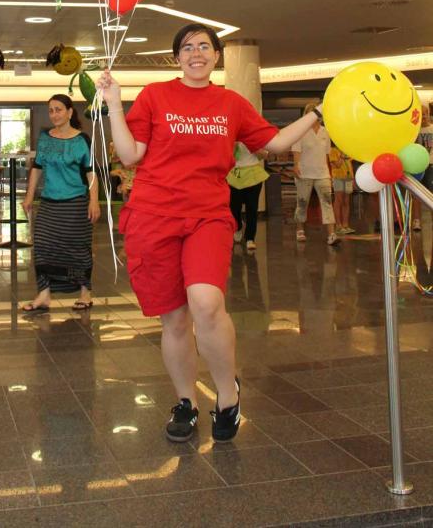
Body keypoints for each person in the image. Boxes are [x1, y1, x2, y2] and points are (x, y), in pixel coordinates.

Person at [97, 23, 326, 444]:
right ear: (176, 57)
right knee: (174, 319)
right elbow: (130, 155)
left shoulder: (230, 104)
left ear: (217, 55)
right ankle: (185, 400)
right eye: (187, 47)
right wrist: (114, 103)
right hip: (153, 215)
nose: (196, 53)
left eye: (204, 46)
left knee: (205, 302)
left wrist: (318, 114)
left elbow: (273, 144)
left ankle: (227, 394)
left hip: (206, 215)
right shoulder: (155, 96)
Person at [22, 94, 100, 313]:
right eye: (51, 111)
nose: (54, 114)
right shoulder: (45, 138)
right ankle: (44, 295)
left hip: (75, 204)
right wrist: (29, 196)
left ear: (70, 112)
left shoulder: (82, 139)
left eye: (58, 109)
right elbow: (37, 168)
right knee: (43, 246)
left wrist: (94, 201)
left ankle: (85, 293)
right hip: (49, 203)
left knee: (77, 249)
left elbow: (91, 172)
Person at [291, 105, 339, 246]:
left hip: (322, 173)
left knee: (327, 202)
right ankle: (300, 230)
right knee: (302, 202)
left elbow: (326, 155)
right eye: (311, 113)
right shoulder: (300, 132)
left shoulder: (325, 132)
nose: (314, 116)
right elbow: (296, 151)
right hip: (304, 173)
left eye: (317, 113)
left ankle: (331, 234)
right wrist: (296, 166)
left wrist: (330, 173)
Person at [228, 142, 268, 251]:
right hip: (235, 173)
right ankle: (238, 227)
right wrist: (234, 145)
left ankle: (250, 238)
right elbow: (227, 156)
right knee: (234, 206)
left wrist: (256, 149)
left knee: (252, 207)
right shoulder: (232, 135)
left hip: (253, 172)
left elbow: (265, 155)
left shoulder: (254, 137)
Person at [413, 102, 433, 230]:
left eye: (426, 114)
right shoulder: (414, 131)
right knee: (416, 195)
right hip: (417, 166)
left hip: (431, 165)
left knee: (431, 195)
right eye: (422, 114)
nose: (424, 117)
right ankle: (416, 221)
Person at [329, 142, 355, 234]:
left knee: (346, 202)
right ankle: (338, 226)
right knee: (338, 201)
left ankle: (345, 225)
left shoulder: (347, 150)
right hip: (338, 178)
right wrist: (342, 157)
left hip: (348, 178)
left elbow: (350, 165)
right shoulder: (333, 150)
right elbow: (337, 165)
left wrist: (353, 179)